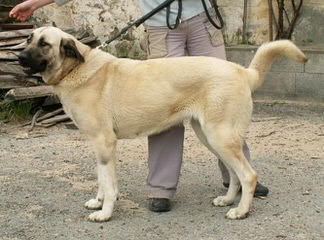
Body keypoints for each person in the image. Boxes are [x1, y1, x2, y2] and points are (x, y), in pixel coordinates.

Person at [10, 0, 269, 213]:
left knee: (221, 120)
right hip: (160, 24)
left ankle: (239, 179)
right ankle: (161, 188)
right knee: (159, 103)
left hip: (203, 18)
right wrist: (35, 2)